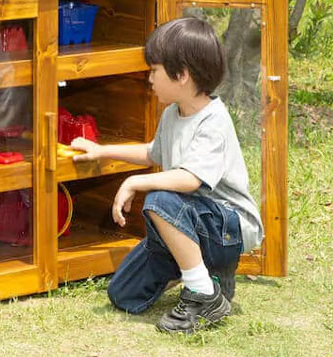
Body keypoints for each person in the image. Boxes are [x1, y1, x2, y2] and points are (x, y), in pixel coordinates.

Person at [70, 17, 263, 334]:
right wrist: (102, 150)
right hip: (189, 219)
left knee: (159, 200)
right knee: (123, 294)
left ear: (182, 75)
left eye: (154, 71)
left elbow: (190, 179)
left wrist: (135, 182)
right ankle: (211, 275)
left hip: (229, 226)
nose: (149, 79)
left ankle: (202, 291)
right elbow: (152, 152)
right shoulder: (173, 113)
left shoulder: (214, 120)